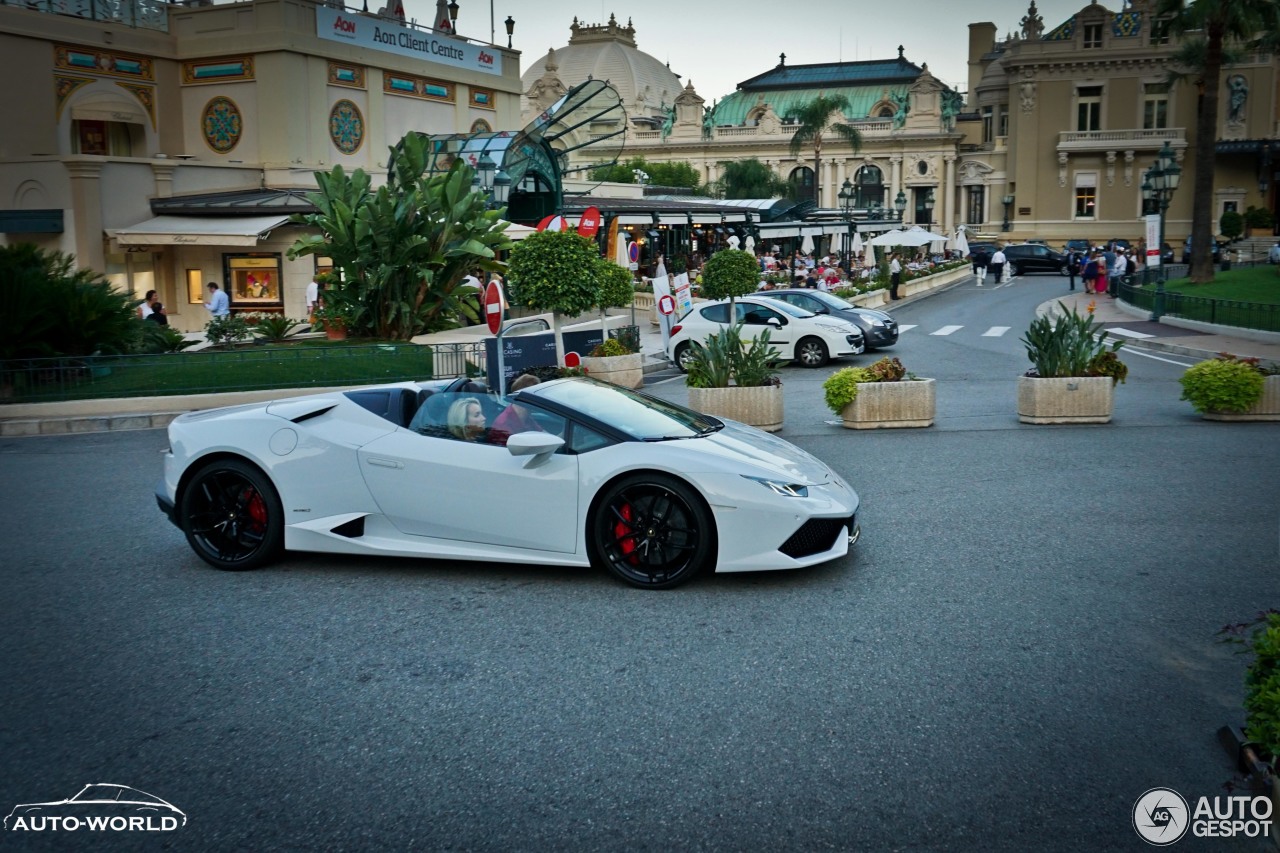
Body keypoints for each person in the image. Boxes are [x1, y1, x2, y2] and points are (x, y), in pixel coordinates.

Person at [490, 374, 546, 446]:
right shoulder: (503, 425)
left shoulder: (526, 417)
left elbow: (543, 436)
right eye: (536, 396)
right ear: (525, 398)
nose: (539, 400)